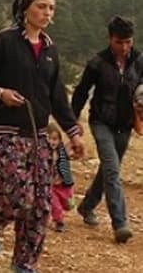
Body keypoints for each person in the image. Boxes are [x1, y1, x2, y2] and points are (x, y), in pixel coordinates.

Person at [0, 0, 84, 273]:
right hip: (5, 131)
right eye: (41, 6)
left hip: (39, 136)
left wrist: (74, 132)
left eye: (51, 8)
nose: (47, 13)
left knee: (41, 206)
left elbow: (57, 97)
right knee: (20, 195)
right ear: (25, 8)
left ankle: (23, 264)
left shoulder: (51, 49)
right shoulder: (4, 41)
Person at [71, 15, 141, 244]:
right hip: (101, 122)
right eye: (119, 42)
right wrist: (73, 120)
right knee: (112, 170)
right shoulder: (97, 63)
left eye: (128, 42)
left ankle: (87, 205)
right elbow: (82, 91)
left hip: (126, 124)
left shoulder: (139, 60)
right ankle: (120, 223)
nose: (124, 47)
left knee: (108, 170)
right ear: (110, 38)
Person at [47, 123, 75, 233]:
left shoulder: (62, 151)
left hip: (64, 184)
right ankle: (59, 221)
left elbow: (72, 145)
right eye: (49, 139)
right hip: (51, 186)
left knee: (68, 205)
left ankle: (62, 212)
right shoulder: (43, 153)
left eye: (54, 139)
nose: (52, 142)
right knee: (55, 205)